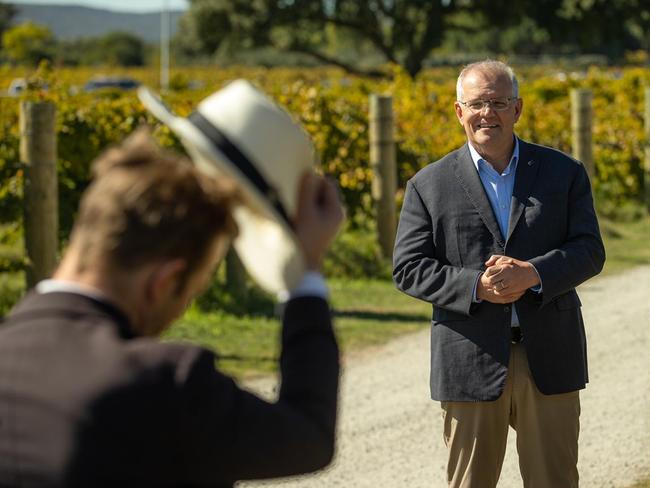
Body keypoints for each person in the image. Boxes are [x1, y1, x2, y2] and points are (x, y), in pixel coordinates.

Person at [0, 125, 344, 486]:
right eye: (190, 293)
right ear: (163, 283)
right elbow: (307, 437)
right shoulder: (163, 384)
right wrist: (305, 274)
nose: (180, 310)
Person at [393, 60, 605, 488]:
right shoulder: (427, 185)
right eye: (477, 104)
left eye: (498, 102)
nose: (487, 113)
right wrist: (476, 287)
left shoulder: (564, 173)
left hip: (549, 356)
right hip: (469, 359)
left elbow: (589, 250)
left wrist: (532, 273)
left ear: (518, 109)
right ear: (459, 111)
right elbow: (408, 268)